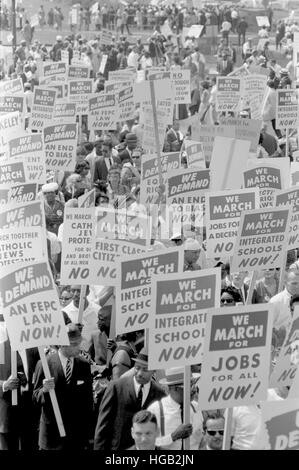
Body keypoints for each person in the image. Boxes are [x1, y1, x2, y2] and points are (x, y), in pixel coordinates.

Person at [33, 324, 93, 450]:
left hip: (76, 435)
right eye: (75, 344)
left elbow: (88, 401)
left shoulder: (84, 364)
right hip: (52, 435)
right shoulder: (45, 363)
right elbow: (35, 397)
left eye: (79, 342)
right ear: (63, 344)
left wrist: (88, 433)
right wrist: (44, 390)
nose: (79, 347)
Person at [93, 348, 166, 450]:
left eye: (145, 369)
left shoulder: (160, 395)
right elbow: (103, 425)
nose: (140, 373)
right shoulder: (116, 387)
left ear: (154, 371)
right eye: (137, 368)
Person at [147, 367, 203, 450]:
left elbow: (201, 440)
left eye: (194, 384)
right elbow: (146, 443)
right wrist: (173, 436)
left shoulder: (195, 407)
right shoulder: (156, 409)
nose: (194, 390)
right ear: (174, 388)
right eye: (189, 385)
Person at [62, 285, 99, 352]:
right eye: (73, 291)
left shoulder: (98, 311)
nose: (75, 294)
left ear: (87, 292)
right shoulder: (64, 313)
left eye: (79, 291)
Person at [269, 269, 299, 343]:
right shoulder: (275, 301)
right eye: (294, 283)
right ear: (285, 283)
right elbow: (267, 327)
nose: (298, 286)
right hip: (281, 347)